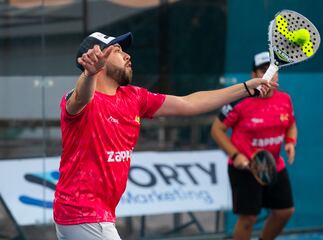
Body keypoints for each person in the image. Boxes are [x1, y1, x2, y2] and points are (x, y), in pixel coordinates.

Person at [53, 32, 276, 240]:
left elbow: (188, 103)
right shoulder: (78, 99)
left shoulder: (134, 97)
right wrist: (88, 74)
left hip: (94, 215)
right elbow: (80, 98)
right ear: (96, 58)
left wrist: (245, 88)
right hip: (81, 213)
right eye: (118, 50)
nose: (128, 55)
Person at [211, 51, 297, 240]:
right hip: (245, 169)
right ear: (253, 76)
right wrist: (236, 155)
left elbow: (291, 124)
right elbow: (216, 130)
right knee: (248, 218)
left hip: (274, 165)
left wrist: (290, 142)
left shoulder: (285, 100)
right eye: (263, 70)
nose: (269, 75)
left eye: (273, 70)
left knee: (284, 212)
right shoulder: (239, 102)